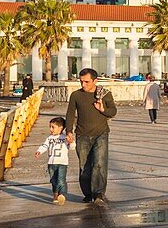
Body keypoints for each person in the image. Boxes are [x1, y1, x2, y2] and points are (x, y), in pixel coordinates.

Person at [65, 68, 117, 204]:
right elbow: (70, 113)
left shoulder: (104, 94)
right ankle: (88, 193)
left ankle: (98, 193)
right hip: (82, 135)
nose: (83, 85)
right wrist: (68, 131)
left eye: (87, 82)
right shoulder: (76, 95)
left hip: (101, 134)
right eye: (81, 81)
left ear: (95, 81)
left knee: (99, 164)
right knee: (85, 166)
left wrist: (102, 109)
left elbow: (113, 111)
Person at [35, 116, 74, 204]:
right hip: (51, 163)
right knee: (53, 180)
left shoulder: (65, 138)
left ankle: (62, 194)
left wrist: (71, 142)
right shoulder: (49, 138)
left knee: (61, 179)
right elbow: (45, 146)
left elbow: (72, 147)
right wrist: (39, 151)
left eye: (53, 127)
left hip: (62, 163)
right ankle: (55, 193)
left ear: (60, 128)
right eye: (50, 127)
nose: (51, 129)